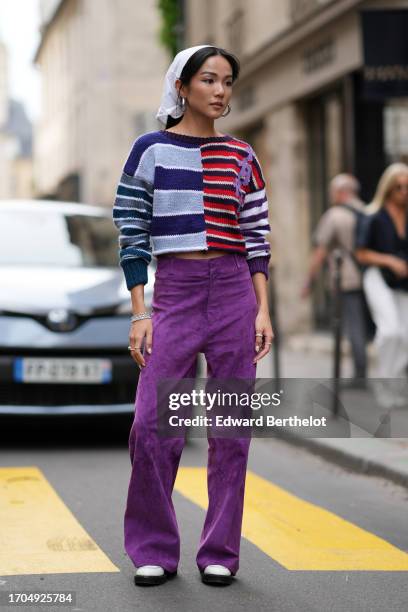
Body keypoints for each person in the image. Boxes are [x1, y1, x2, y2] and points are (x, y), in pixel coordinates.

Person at [112, 44, 273, 587]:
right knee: (152, 425)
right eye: (209, 79)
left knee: (231, 429)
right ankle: (154, 547)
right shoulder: (149, 150)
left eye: (228, 80)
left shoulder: (242, 155)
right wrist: (140, 312)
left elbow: (257, 239)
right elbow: (132, 231)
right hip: (175, 291)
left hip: (233, 293)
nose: (221, 90)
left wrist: (262, 311)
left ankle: (221, 552)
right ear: (182, 87)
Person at [301, 174, 368, 384]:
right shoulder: (367, 211)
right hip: (369, 276)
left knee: (351, 325)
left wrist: (309, 280)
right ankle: (360, 370)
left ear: (342, 192)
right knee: (363, 323)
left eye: (333, 191)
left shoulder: (335, 215)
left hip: (346, 278)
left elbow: (320, 251)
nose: (331, 195)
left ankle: (359, 374)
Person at [355, 163, 408, 406]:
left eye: (407, 187)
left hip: (403, 283)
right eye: (399, 187)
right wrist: (389, 261)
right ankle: (384, 384)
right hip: (377, 277)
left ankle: (394, 383)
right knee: (390, 331)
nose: (404, 191)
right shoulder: (373, 215)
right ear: (388, 188)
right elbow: (361, 253)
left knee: (405, 336)